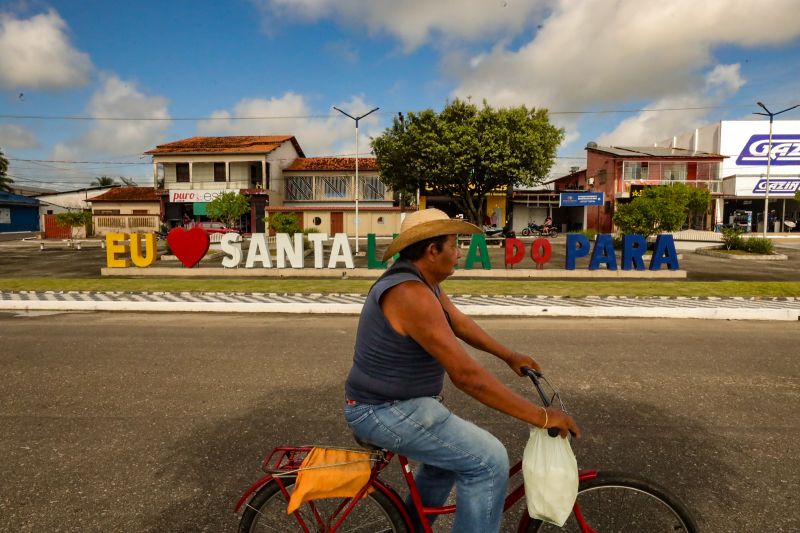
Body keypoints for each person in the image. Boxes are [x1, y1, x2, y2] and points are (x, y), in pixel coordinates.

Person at [344, 208, 580, 533]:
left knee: (448, 461)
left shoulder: (423, 283)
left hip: (407, 404)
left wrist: (509, 355)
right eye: (454, 245)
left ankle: (409, 527)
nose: (459, 253)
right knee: (488, 461)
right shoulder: (409, 294)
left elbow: (459, 323)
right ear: (432, 250)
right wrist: (541, 416)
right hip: (383, 410)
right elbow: (467, 377)